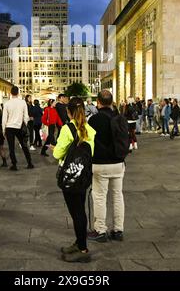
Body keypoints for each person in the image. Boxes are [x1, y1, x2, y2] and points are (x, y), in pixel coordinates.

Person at [53, 97, 96, 263]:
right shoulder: (89, 129)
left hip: (70, 177)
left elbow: (58, 154)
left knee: (76, 212)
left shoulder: (67, 129)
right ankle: (79, 243)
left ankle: (83, 249)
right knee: (81, 210)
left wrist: (55, 149)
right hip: (84, 176)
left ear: (69, 112)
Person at [88, 90, 126, 243]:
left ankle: (100, 230)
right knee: (118, 196)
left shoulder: (94, 120)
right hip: (118, 163)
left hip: (100, 164)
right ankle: (118, 230)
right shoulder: (119, 118)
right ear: (112, 102)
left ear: (98, 102)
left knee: (99, 197)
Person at [2, 86, 34, 171]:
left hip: (9, 127)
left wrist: (3, 129)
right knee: (24, 145)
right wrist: (24, 125)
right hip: (20, 126)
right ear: (18, 93)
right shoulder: (23, 103)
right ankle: (29, 162)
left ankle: (14, 164)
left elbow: (4, 118)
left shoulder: (7, 103)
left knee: (11, 147)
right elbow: (26, 116)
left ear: (11, 93)